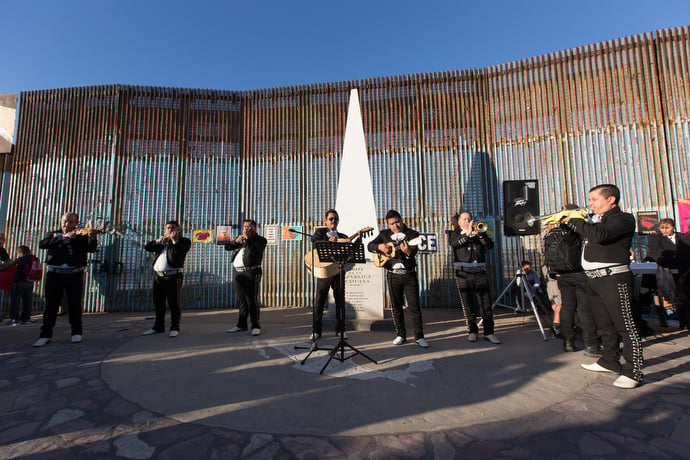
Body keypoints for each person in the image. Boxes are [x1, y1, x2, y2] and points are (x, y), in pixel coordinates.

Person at [565, 184, 642, 389]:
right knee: (604, 324)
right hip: (594, 279)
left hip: (614, 278)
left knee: (625, 326)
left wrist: (576, 220)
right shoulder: (596, 222)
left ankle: (633, 371)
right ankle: (609, 360)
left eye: (594, 200)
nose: (590, 204)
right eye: (589, 200)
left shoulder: (623, 219)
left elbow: (599, 235)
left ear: (611, 200)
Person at [33, 212, 98, 347]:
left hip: (74, 275)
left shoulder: (80, 236)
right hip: (54, 274)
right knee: (51, 305)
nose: (66, 224)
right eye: (64, 221)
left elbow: (91, 249)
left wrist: (92, 236)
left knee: (74, 304)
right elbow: (43, 244)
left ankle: (76, 332)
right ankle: (45, 334)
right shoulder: (53, 234)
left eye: (70, 222)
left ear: (76, 223)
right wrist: (63, 237)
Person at [368, 210, 428, 348]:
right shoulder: (384, 235)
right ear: (388, 224)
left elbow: (413, 251)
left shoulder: (413, 235)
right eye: (392, 224)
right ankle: (400, 334)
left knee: (414, 306)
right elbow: (370, 246)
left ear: (402, 220)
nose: (395, 225)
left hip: (409, 274)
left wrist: (408, 253)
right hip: (392, 275)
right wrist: (380, 247)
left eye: (397, 222)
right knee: (396, 307)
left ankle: (419, 336)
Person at [543, 214, 600, 355]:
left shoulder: (553, 233)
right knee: (584, 309)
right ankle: (591, 345)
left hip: (562, 274)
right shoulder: (580, 231)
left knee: (567, 307)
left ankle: (568, 342)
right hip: (581, 273)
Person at [448, 210, 500, 344]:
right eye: (464, 219)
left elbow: (489, 246)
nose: (467, 221)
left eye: (469, 219)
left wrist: (480, 235)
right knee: (468, 305)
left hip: (480, 273)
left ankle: (489, 332)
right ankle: (472, 331)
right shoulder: (455, 234)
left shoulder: (479, 233)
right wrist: (467, 233)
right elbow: (454, 244)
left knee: (486, 304)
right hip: (463, 274)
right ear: (459, 222)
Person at [309, 209, 358, 340]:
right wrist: (328, 242)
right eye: (330, 219)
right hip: (324, 272)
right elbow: (315, 244)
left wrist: (358, 239)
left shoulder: (343, 236)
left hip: (337, 272)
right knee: (319, 302)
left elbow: (350, 252)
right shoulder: (320, 233)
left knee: (340, 302)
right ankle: (316, 330)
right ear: (326, 220)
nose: (333, 221)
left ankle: (340, 330)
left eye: (335, 219)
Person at [142, 220, 191, 338]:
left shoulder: (183, 242)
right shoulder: (163, 242)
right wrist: (157, 241)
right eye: (168, 228)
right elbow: (148, 247)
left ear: (178, 229)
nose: (170, 230)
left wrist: (174, 241)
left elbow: (176, 253)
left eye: (172, 228)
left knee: (173, 302)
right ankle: (158, 326)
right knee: (158, 302)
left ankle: (175, 327)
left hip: (173, 276)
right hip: (159, 277)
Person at [225, 219, 267, 336]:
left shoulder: (260, 240)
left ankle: (255, 325)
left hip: (252, 272)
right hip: (238, 273)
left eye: (249, 227)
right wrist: (236, 242)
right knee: (241, 300)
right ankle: (241, 324)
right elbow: (227, 247)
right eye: (244, 227)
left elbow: (255, 251)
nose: (246, 229)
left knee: (252, 300)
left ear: (254, 229)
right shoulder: (241, 240)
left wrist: (248, 239)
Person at [644, 218, 680, 328]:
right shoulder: (655, 238)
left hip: (678, 271)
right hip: (660, 270)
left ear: (673, 227)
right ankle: (662, 319)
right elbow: (657, 252)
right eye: (662, 228)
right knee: (657, 294)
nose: (664, 231)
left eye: (667, 228)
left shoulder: (681, 237)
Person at [0, 246, 37, 325]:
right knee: (27, 301)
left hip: (19, 282)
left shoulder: (20, 259)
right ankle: (26, 318)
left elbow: (5, 268)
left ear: (20, 253)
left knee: (15, 301)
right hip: (30, 282)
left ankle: (14, 319)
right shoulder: (34, 259)